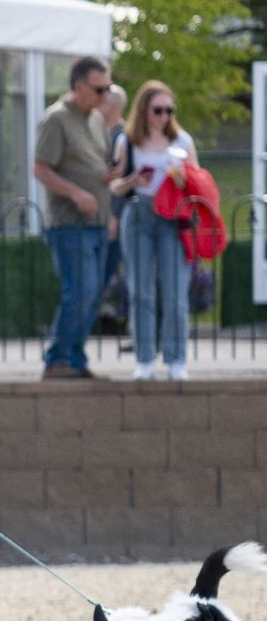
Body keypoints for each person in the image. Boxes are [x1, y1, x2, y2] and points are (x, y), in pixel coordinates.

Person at [109, 80, 196, 382]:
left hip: (173, 215)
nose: (163, 117)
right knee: (141, 291)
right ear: (144, 109)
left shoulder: (182, 141)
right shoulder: (128, 141)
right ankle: (145, 359)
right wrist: (133, 179)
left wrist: (184, 179)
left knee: (174, 291)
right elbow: (114, 184)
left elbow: (198, 184)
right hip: (140, 213)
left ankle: (176, 359)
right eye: (158, 110)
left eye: (169, 111)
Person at [34, 55, 112, 380]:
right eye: (99, 89)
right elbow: (40, 168)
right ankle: (58, 358)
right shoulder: (56, 119)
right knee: (80, 291)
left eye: (108, 88)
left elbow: (94, 165)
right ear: (78, 86)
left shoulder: (95, 118)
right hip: (70, 224)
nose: (105, 95)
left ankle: (75, 358)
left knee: (92, 294)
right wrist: (77, 193)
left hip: (98, 223)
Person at [99, 83, 128, 324]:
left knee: (116, 270)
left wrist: (114, 216)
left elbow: (121, 179)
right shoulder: (98, 131)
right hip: (98, 214)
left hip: (117, 217)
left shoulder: (122, 137)